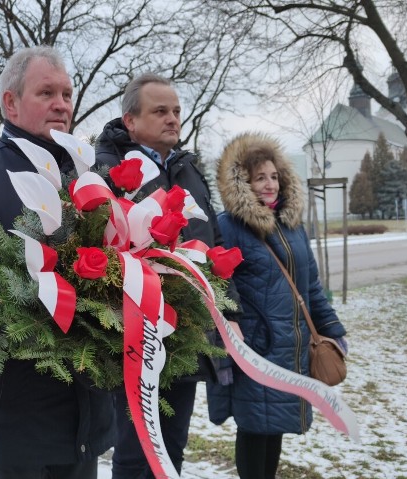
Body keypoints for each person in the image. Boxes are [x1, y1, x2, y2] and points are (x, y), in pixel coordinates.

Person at [0, 45, 114, 479]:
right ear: (10, 103)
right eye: (46, 92)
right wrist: (30, 321)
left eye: (67, 93)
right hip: (13, 414)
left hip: (85, 412)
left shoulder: (89, 180)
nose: (62, 104)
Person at [94, 73, 241, 477]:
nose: (173, 119)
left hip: (189, 329)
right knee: (136, 447)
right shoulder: (108, 170)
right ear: (130, 121)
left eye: (176, 111)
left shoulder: (188, 169)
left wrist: (229, 315)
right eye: (160, 111)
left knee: (172, 445)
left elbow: (211, 244)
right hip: (135, 331)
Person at [208, 132, 348, 479]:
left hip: (292, 346)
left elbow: (311, 286)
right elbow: (218, 290)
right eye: (259, 178)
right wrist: (225, 350)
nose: (269, 184)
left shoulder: (293, 227)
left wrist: (333, 330)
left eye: (273, 176)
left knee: (275, 427)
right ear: (243, 183)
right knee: (256, 427)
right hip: (255, 349)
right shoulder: (229, 226)